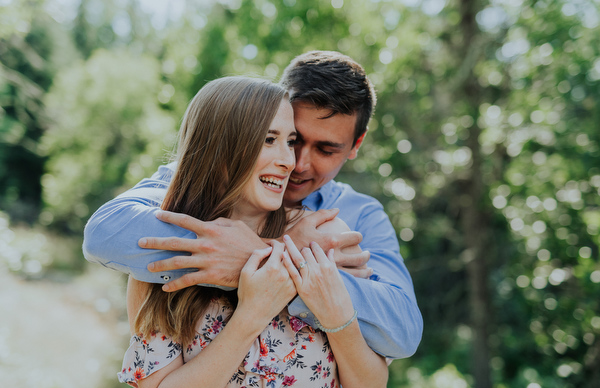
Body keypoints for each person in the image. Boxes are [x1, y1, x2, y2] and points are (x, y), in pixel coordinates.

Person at [83, 51, 423, 359]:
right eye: (292, 139)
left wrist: (260, 257)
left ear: (355, 145)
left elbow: (403, 332)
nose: (296, 163)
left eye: (325, 149)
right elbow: (104, 234)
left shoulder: (357, 215)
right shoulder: (207, 177)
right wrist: (287, 253)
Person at [118, 76, 388, 388]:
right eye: (269, 140)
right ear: (220, 149)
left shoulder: (325, 239)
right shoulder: (167, 261)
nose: (290, 161)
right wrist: (251, 315)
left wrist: (335, 311)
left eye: (289, 141)